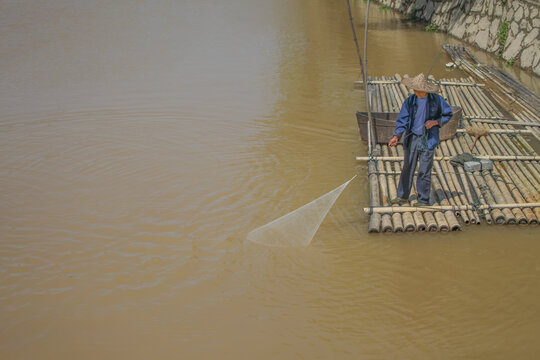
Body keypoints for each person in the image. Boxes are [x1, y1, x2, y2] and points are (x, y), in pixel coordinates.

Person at [388, 73, 453, 206]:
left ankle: (423, 199)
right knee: (407, 167)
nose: (417, 92)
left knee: (424, 170)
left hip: (428, 139)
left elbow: (448, 114)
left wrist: (435, 122)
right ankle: (402, 196)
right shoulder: (410, 101)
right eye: (415, 90)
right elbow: (402, 120)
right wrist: (396, 136)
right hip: (412, 138)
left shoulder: (437, 100)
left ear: (426, 91)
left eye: (420, 90)